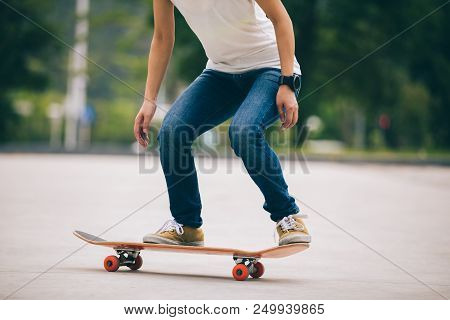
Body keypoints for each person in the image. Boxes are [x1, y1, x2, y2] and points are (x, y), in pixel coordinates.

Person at [134, 0, 311, 247]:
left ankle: (288, 216)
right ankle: (187, 225)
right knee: (173, 132)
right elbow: (162, 37)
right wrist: (149, 99)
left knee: (244, 131)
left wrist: (287, 81)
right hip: (221, 73)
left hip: (271, 67)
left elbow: (281, 19)